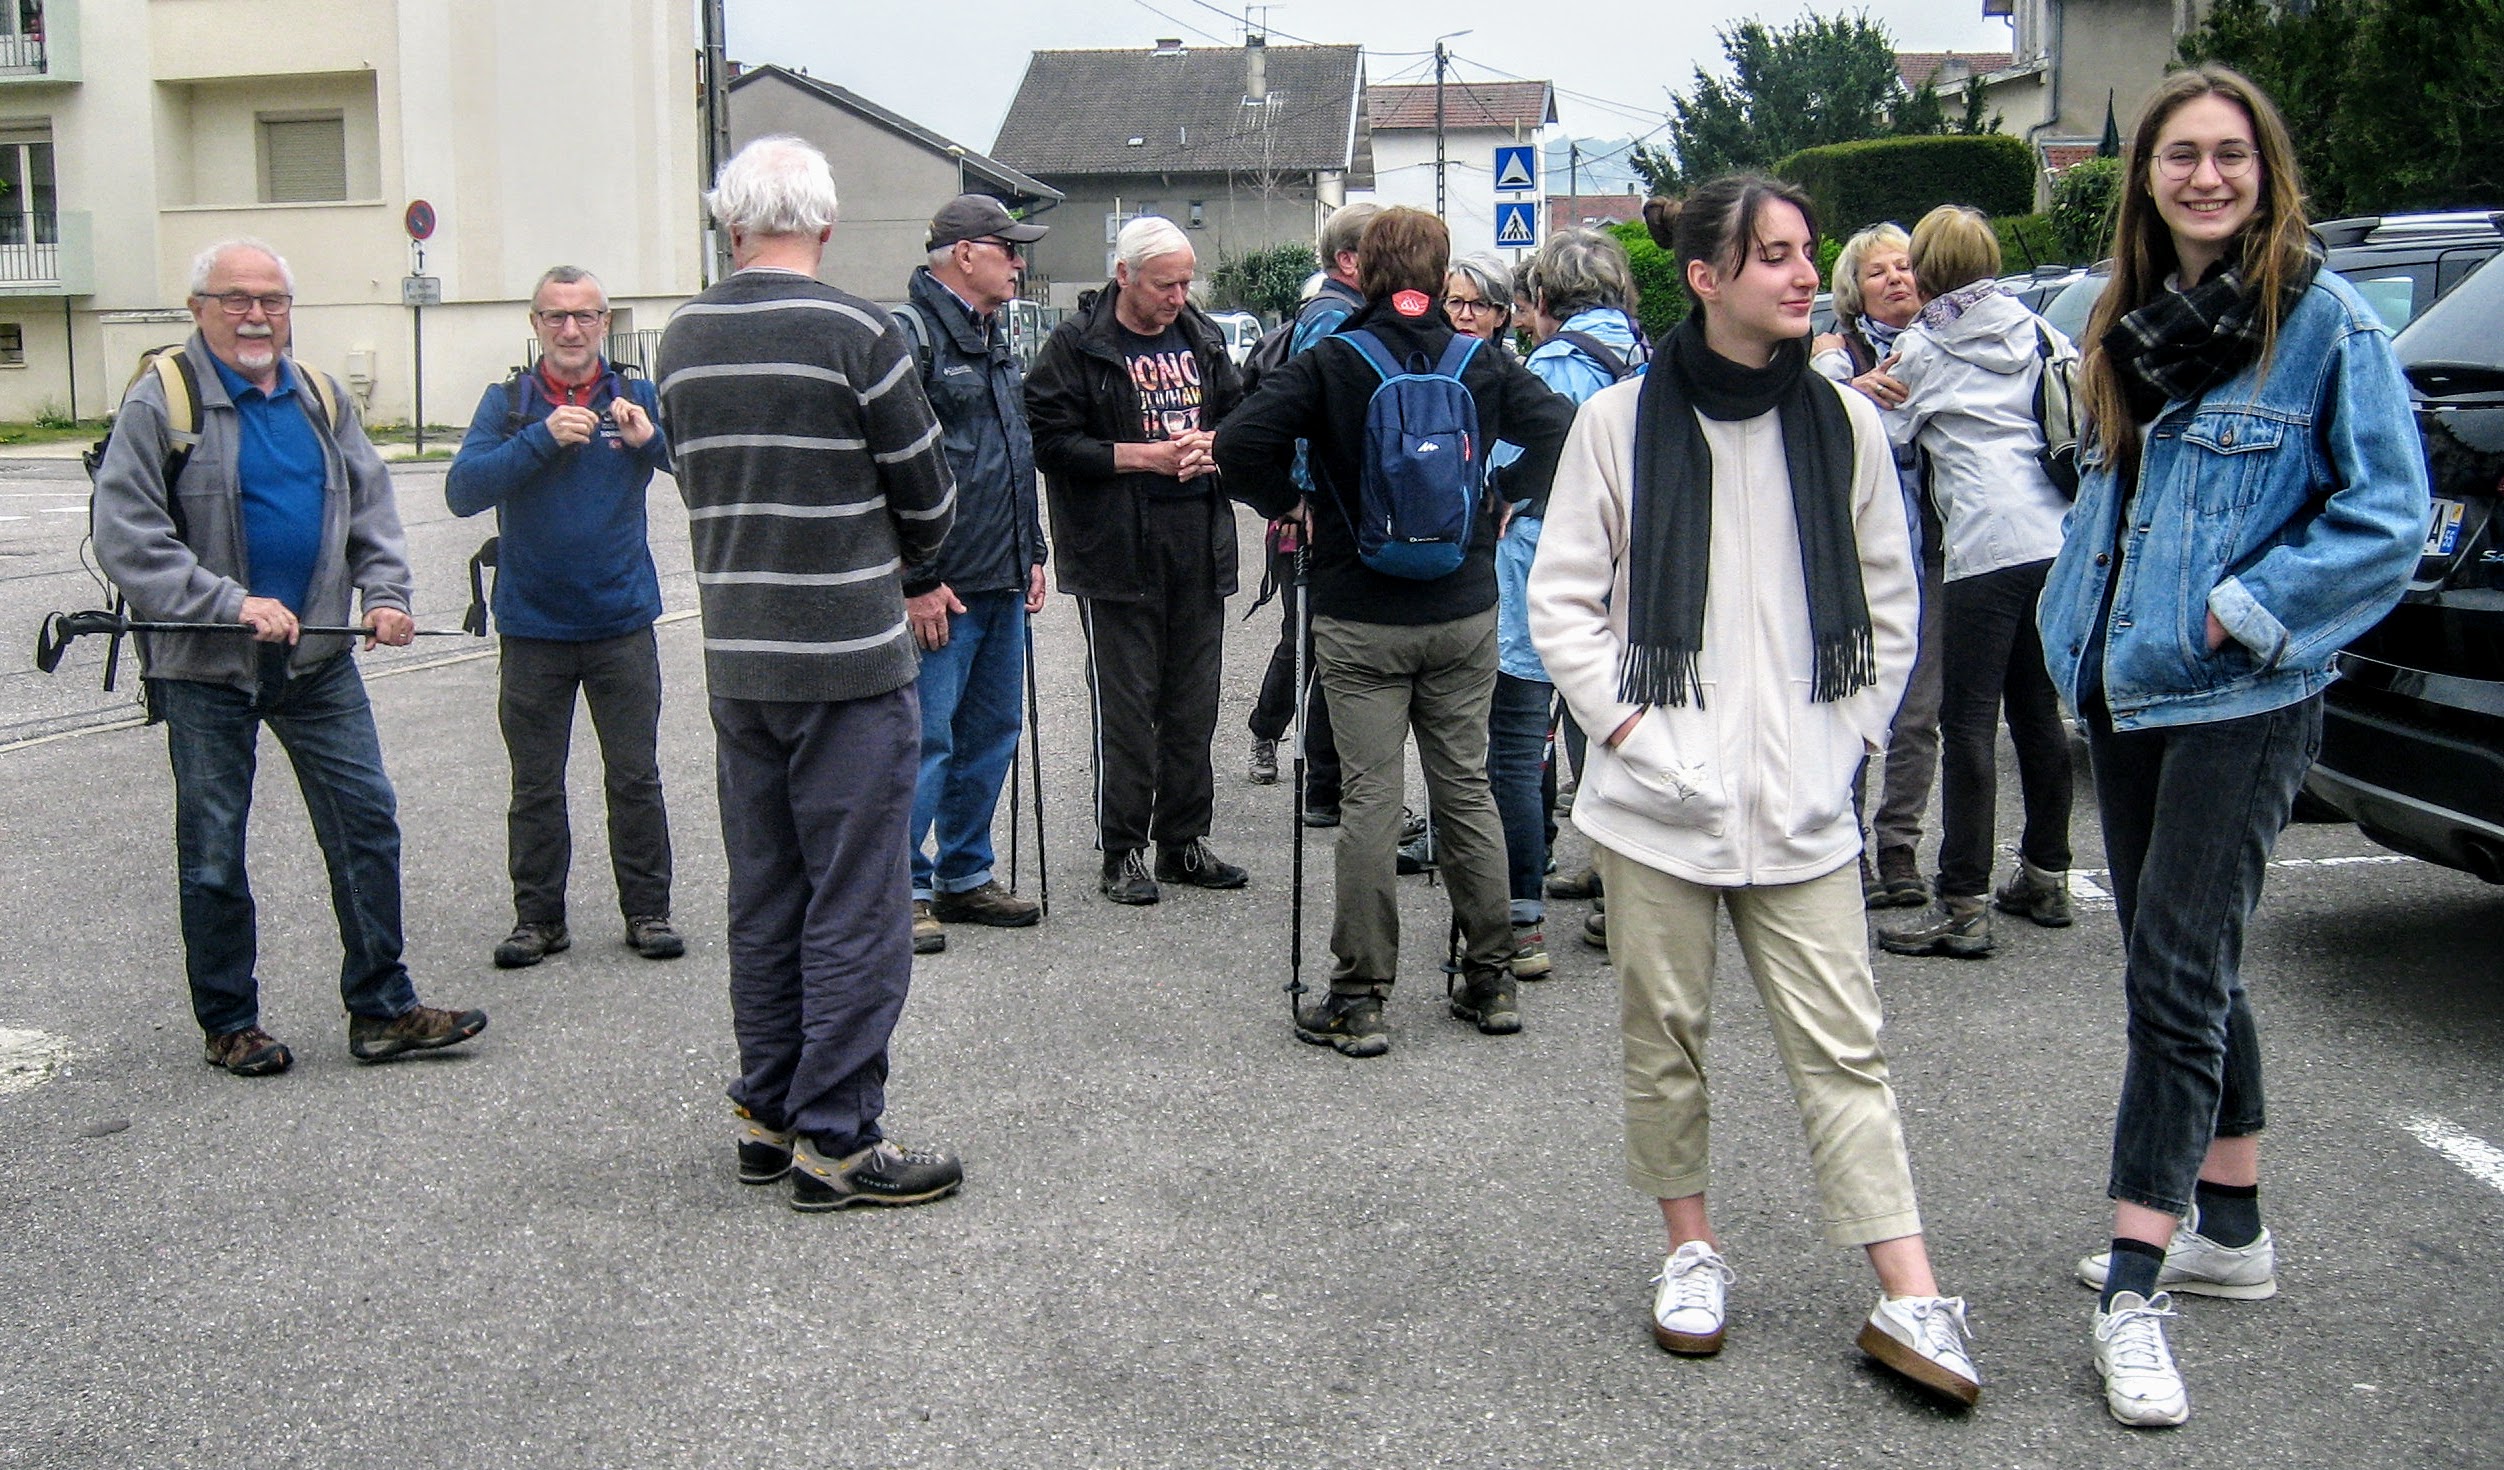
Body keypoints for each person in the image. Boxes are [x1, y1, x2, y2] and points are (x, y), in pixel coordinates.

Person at [1526, 179, 1979, 1406]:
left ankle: (1907, 1289)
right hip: (1652, 801)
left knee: (1844, 1044)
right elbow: (1560, 602)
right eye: (1770, 255)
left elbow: (1889, 601)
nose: (1801, 274)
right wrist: (1632, 733)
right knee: (1663, 1036)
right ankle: (1689, 1248)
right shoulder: (1617, 422)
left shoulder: (1844, 424)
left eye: (1805, 252)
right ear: (1704, 278)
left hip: (1802, 802)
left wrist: (1844, 745)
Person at [2036, 66, 2427, 1427]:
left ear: (2267, 173)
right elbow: (2112, 494)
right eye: (2180, 156)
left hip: (2240, 696)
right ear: (2146, 178)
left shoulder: (2321, 323)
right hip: (2125, 687)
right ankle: (2234, 1228)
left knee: (2174, 978)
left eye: (2231, 155)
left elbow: (2388, 515)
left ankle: (2134, 1289)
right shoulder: (2130, 317)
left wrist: (2245, 607)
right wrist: (2073, 620)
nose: (2206, 177)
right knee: (2181, 959)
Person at [654, 135, 963, 1212]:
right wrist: (901, 560)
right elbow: (929, 497)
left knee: (767, 891)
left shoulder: (680, 338)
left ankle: (769, 1109)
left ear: (730, 225)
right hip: (846, 660)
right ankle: (836, 1137)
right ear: (824, 226)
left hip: (740, 656)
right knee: (858, 901)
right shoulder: (858, 332)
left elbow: (691, 474)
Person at [91, 238, 487, 1075]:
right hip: (205, 667)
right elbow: (126, 538)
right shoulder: (162, 400)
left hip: (316, 662)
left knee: (366, 823)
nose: (256, 316)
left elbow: (370, 510)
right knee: (213, 851)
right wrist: (229, 603)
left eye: (271, 300)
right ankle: (229, 1023)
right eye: (236, 298)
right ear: (199, 307)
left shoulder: (319, 395)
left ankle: (382, 1008)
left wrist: (385, 595)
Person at [1216, 206, 1575, 1058]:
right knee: (1466, 788)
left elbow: (1237, 444)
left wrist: (1290, 503)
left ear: (1365, 272)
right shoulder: (1481, 360)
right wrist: (1506, 494)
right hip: (1463, 607)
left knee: (1372, 799)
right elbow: (1564, 426)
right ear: (1440, 276)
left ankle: (1360, 996)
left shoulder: (1333, 359)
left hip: (1359, 611)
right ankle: (1490, 978)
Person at [446, 266, 682, 971]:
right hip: (533, 628)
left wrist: (651, 442)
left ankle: (648, 911)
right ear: (536, 324)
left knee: (634, 777)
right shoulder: (508, 404)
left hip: (621, 621)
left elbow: (700, 474)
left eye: (585, 316)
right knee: (535, 784)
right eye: (556, 316)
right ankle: (538, 920)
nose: (571, 329)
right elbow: (462, 492)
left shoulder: (637, 396)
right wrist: (541, 439)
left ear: (605, 323)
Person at [1870, 206, 2078, 960]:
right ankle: (2047, 877)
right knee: (2038, 714)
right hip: (2054, 538)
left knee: (1967, 725)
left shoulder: (1924, 347)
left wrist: (1837, 374)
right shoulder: (2041, 331)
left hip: (1983, 546)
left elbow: (1885, 432)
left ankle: (1963, 902)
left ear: (1927, 269)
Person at [1026, 215, 1249, 905]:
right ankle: (1122, 849)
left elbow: (1243, 416)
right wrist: (1139, 457)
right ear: (1123, 276)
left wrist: (1218, 445)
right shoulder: (1076, 345)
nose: (1177, 297)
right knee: (1126, 709)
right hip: (1117, 551)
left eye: (1185, 283)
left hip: (1198, 542)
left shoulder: (1203, 337)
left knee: (1193, 705)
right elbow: (1049, 442)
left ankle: (1184, 840)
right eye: (1163, 285)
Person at [896, 195, 1052, 956]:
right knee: (925, 740)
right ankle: (903, 889)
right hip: (944, 586)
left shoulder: (991, 335)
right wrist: (917, 577)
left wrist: (1034, 550)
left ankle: (964, 875)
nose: (1019, 262)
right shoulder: (911, 337)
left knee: (990, 732)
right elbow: (896, 468)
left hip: (998, 574)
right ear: (964, 254)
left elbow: (1012, 450)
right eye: (1007, 248)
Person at [1498, 229, 1646, 976]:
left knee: (1518, 741)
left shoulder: (1553, 365)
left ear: (1545, 296)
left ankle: (1520, 920)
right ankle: (1622, 897)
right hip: (1630, 572)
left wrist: (1499, 492)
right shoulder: (1648, 358)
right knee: (1611, 728)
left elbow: (1518, 462)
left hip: (1546, 569)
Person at [1811, 224, 1942, 911]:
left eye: (1905, 266)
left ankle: (1900, 848)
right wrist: (1845, 386)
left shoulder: (1947, 348)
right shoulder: (1833, 357)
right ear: (1853, 292)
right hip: (1852, 561)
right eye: (1878, 271)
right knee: (1851, 705)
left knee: (1918, 714)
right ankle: (1849, 846)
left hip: (1933, 555)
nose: (1896, 279)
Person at [1245, 202, 1376, 819]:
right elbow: (1310, 420)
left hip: (1320, 509)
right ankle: (1274, 739)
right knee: (1309, 639)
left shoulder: (1347, 311)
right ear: (1348, 260)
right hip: (1313, 514)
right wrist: (1302, 502)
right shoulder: (1331, 317)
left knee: (1320, 640)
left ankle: (1322, 778)